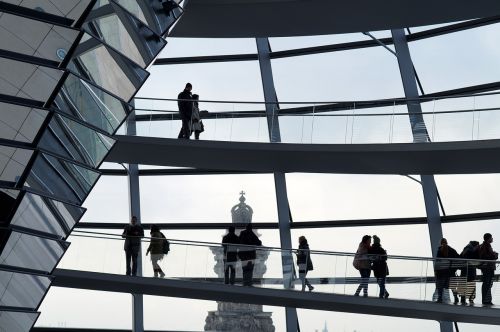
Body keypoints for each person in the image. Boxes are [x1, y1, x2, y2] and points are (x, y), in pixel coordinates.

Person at [434, 238, 460, 303]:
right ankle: (456, 298)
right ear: (447, 242)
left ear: (440, 243)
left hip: (441, 272)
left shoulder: (439, 251)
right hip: (450, 271)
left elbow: (438, 262)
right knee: (453, 286)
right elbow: (458, 258)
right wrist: (454, 268)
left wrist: (436, 271)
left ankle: (440, 298)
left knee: (440, 286)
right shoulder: (452, 250)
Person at [456, 240, 480, 305]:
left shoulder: (466, 248)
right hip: (469, 269)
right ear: (475, 245)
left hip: (466, 269)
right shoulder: (469, 249)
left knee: (465, 284)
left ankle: (464, 299)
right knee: (471, 284)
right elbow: (472, 256)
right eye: (478, 246)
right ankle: (470, 299)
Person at [478, 233, 498, 305]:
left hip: (487, 267)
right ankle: (486, 301)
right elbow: (485, 256)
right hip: (488, 268)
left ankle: (487, 300)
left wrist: (493, 254)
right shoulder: (486, 246)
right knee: (487, 283)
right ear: (488, 238)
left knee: (488, 284)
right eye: (491, 237)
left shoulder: (484, 245)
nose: (492, 239)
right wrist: (494, 255)